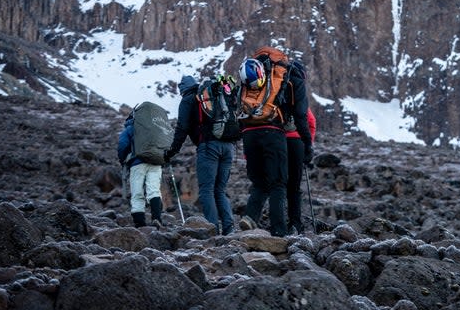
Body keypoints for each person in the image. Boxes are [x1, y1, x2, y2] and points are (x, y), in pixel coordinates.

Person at [237, 50, 313, 237]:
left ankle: (250, 217)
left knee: (259, 182)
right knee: (278, 182)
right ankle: (279, 231)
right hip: (273, 132)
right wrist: (307, 144)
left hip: (248, 132)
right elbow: (302, 115)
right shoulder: (289, 76)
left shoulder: (254, 75)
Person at [164, 75, 238, 235]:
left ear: (182, 89)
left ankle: (212, 229)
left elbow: (182, 128)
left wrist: (170, 152)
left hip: (209, 147)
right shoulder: (210, 95)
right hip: (228, 146)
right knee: (220, 190)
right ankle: (229, 228)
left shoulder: (189, 99)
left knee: (207, 190)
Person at [117, 112, 163, 228]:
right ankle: (156, 218)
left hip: (137, 163)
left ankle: (140, 224)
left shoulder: (130, 128)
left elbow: (122, 145)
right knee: (154, 190)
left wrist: (123, 160)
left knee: (137, 193)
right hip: (155, 161)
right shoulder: (155, 126)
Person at [286, 106, 316, 234]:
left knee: (278, 185)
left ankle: (278, 223)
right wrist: (308, 145)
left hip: (277, 142)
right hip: (298, 143)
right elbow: (311, 122)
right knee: (294, 186)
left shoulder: (274, 96)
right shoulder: (299, 99)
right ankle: (295, 224)